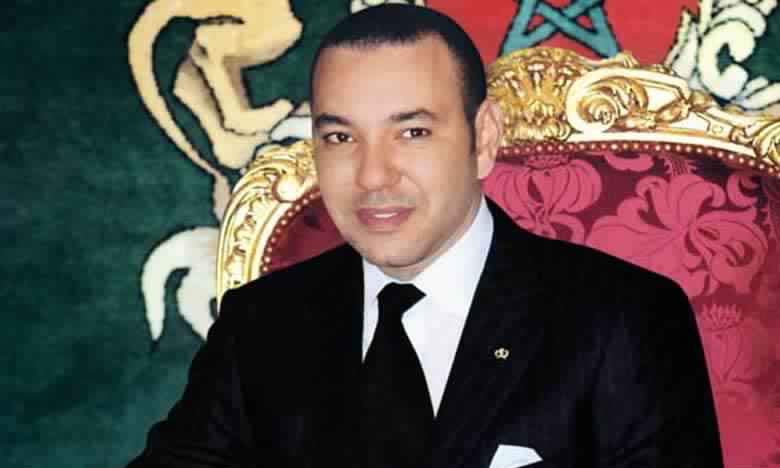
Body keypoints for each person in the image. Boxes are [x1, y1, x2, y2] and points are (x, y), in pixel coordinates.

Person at [128, 4, 723, 468]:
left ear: (482, 138)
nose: (372, 176)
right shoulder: (261, 325)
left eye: (411, 133)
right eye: (340, 138)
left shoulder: (621, 320)